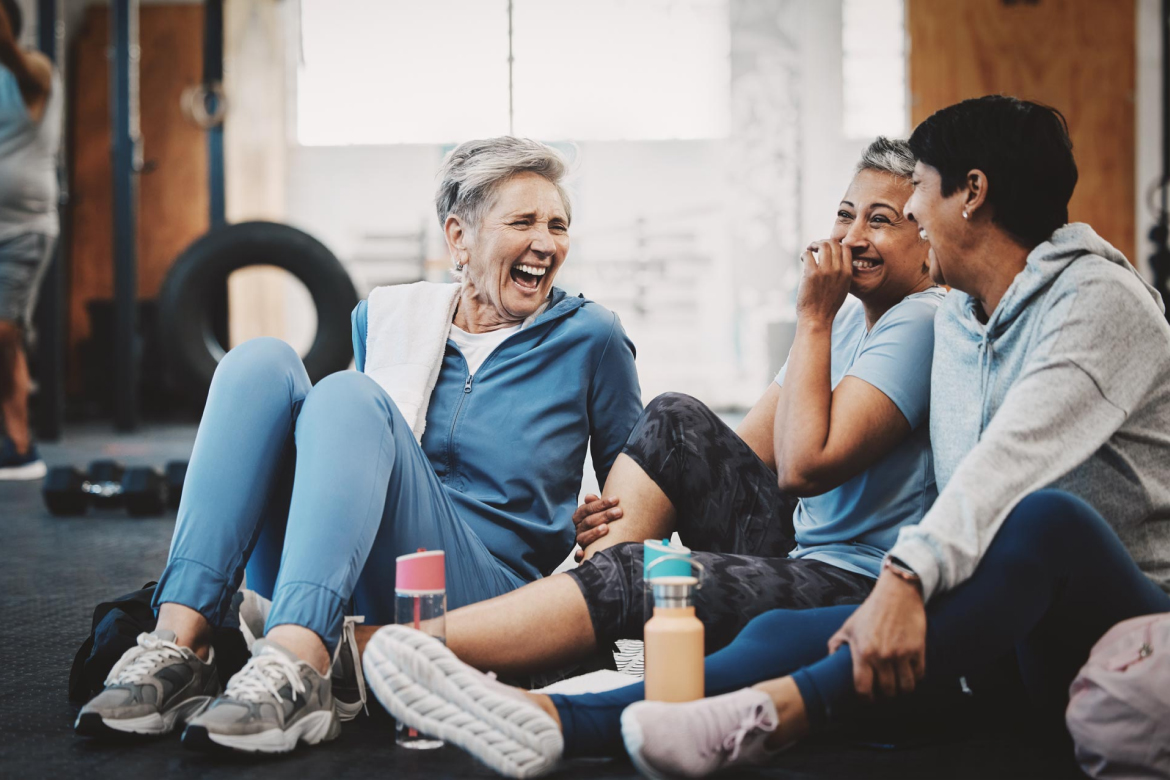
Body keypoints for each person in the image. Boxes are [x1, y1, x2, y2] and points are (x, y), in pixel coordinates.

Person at [368, 97, 1170, 779]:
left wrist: (901, 580)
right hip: (996, 620)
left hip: (1110, 617)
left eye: (911, 197)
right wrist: (641, 515)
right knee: (737, 582)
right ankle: (553, 706)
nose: (905, 217)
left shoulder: (1094, 305)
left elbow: (997, 470)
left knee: (1042, 517)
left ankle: (468, 656)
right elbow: (748, 454)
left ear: (970, 194)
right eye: (852, 212)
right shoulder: (965, 312)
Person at [74, 137, 644, 754]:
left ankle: (298, 664)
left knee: (348, 395)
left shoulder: (592, 337)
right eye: (523, 221)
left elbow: (640, 494)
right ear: (459, 237)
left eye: (558, 225)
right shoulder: (385, 320)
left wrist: (602, 528)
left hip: (487, 596)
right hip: (357, 566)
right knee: (259, 362)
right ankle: (180, 644)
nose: (546, 242)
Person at [355, 136, 947, 681]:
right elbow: (733, 459)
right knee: (675, 419)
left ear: (927, 242)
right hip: (798, 546)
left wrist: (812, 316)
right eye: (846, 215)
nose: (852, 238)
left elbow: (801, 467)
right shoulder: (844, 319)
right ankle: (592, 609)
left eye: (882, 221)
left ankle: (388, 649)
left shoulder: (917, 319)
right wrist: (623, 508)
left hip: (858, 575)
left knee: (638, 576)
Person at [0, 0, 61, 480]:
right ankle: (18, 445)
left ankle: (20, 443)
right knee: (8, 338)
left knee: (2, 332)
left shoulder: (33, 70)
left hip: (24, 229)